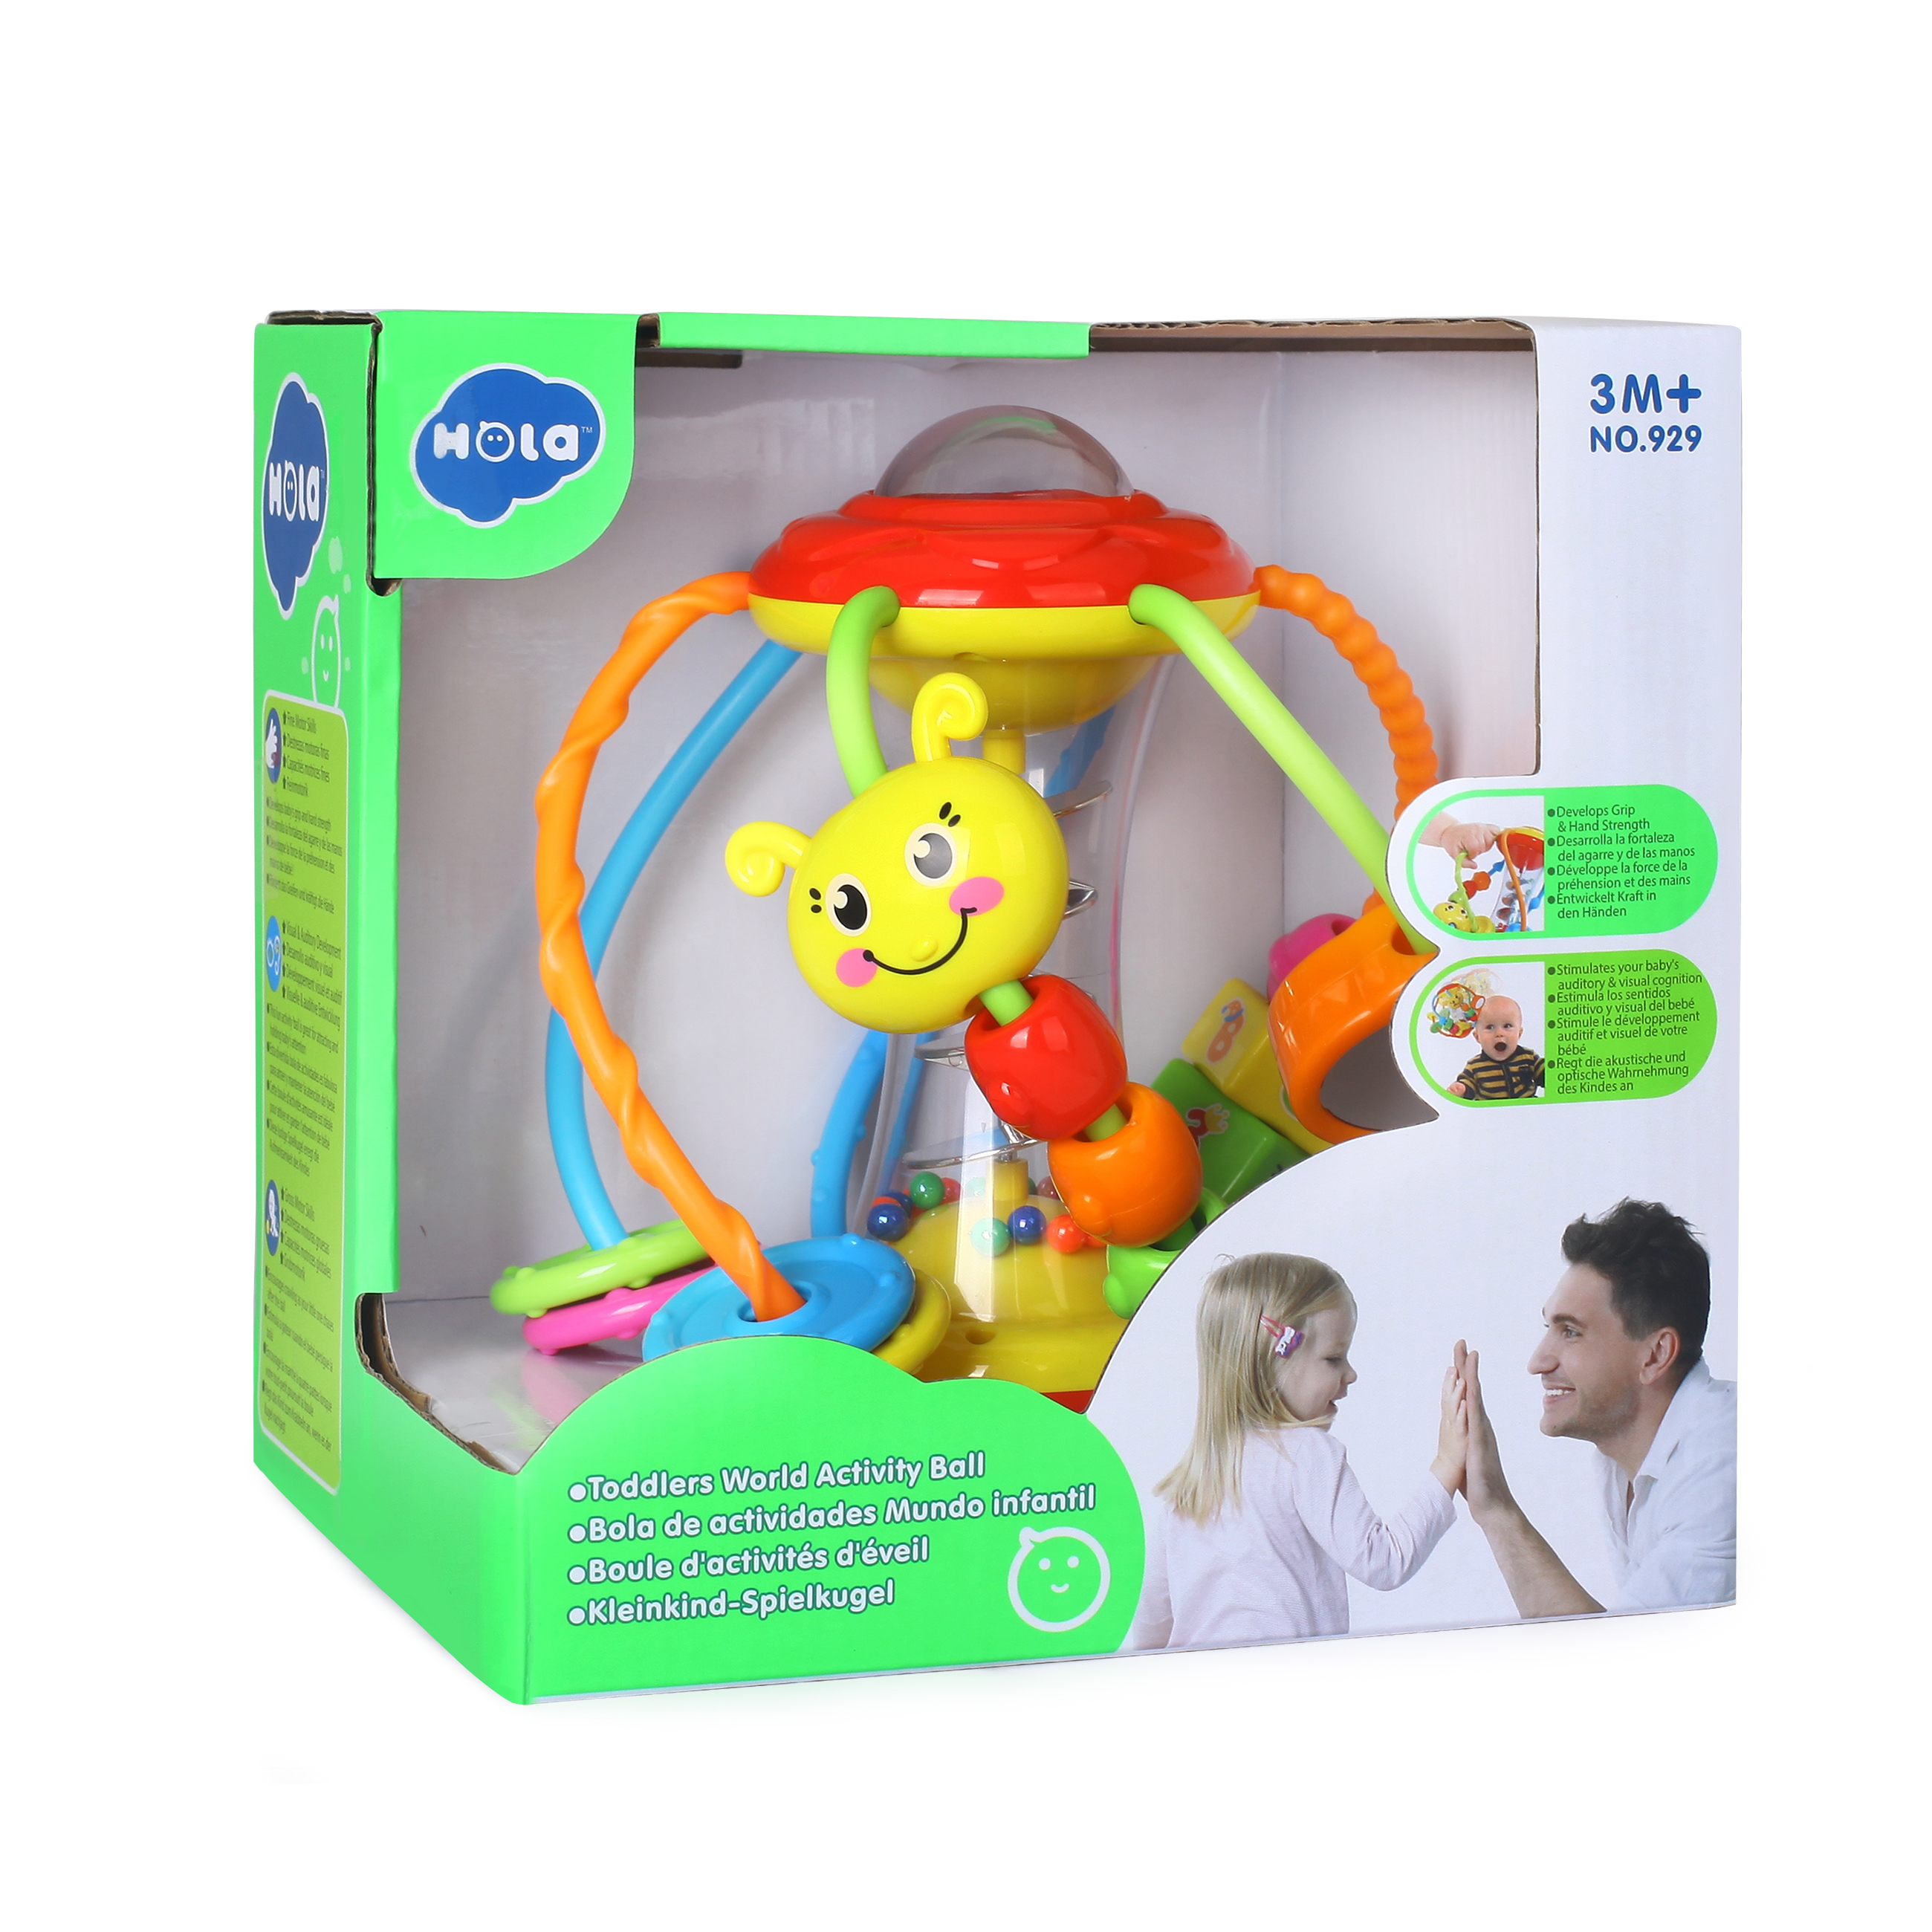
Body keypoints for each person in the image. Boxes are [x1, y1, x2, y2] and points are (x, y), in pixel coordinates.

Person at [1128, 1252, 1465, 1649]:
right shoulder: (1305, 1455)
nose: (1351, 1374)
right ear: (1271, 1360)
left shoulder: (1186, 1487)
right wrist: (1447, 1464)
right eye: (1334, 1358)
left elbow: (1150, 1631)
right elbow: (1383, 1562)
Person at [1456, 1199, 1734, 1615]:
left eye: (1570, 1331)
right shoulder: (1618, 1459)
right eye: (1549, 1327)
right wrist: (1493, 1505)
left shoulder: (1719, 1469)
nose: (1537, 1362)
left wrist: (1497, 1511)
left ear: (1656, 1355)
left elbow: (1623, 1653)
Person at [1448, 993, 1545, 1100]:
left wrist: (1551, 1072)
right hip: (1492, 1110)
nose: (1499, 1033)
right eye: (1490, 1027)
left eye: (1507, 1026)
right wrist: (1462, 1088)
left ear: (1519, 1033)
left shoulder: (1528, 1057)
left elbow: (1547, 1074)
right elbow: (1468, 1082)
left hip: (1527, 1108)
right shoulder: (1475, 1066)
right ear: (1477, 1037)